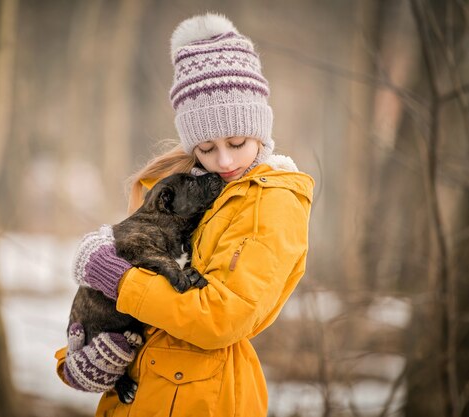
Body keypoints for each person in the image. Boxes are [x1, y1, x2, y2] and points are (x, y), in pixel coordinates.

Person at [55, 12, 314, 416]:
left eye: (237, 141)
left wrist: (120, 281)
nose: (224, 160)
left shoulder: (273, 202)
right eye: (207, 148)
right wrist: (81, 347)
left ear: (260, 129)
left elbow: (221, 319)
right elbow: (147, 276)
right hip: (145, 391)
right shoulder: (187, 185)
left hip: (203, 397)